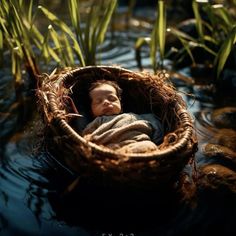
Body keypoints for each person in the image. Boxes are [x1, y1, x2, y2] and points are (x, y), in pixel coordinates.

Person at [82, 80, 163, 153]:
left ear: (120, 103)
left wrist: (157, 141)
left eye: (112, 99)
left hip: (138, 142)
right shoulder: (98, 121)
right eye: (98, 101)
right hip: (111, 148)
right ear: (91, 110)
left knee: (149, 145)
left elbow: (155, 125)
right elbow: (87, 137)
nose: (106, 102)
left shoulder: (133, 116)